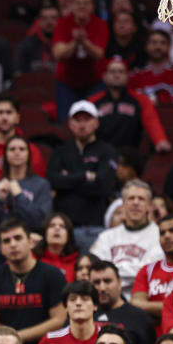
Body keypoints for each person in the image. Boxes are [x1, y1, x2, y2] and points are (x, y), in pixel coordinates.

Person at [0, 218, 67, 344]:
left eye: (18, 238)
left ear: (31, 242)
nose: (13, 244)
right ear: (1, 249)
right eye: (6, 241)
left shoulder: (53, 275)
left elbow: (59, 320)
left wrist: (17, 337)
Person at [47, 100, 117, 251]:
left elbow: (104, 185)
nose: (82, 124)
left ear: (96, 123)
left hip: (95, 227)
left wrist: (68, 179)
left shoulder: (107, 150)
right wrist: (85, 176)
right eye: (77, 120)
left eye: (87, 119)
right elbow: (53, 180)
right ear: (70, 124)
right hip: (65, 228)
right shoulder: (60, 151)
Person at [89, 179, 164, 294]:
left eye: (141, 199)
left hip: (142, 300)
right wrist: (133, 271)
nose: (136, 203)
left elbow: (147, 273)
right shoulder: (106, 237)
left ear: (149, 206)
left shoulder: (160, 235)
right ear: (123, 204)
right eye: (131, 198)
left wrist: (111, 273)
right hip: (106, 299)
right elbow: (96, 271)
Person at [91, 260, 156, 344]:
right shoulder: (84, 315)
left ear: (120, 282)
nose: (102, 288)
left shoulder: (139, 317)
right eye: (96, 282)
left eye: (107, 281)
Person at [131, 214, 173, 324]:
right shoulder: (147, 270)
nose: (166, 236)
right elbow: (136, 305)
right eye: (162, 233)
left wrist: (151, 308)